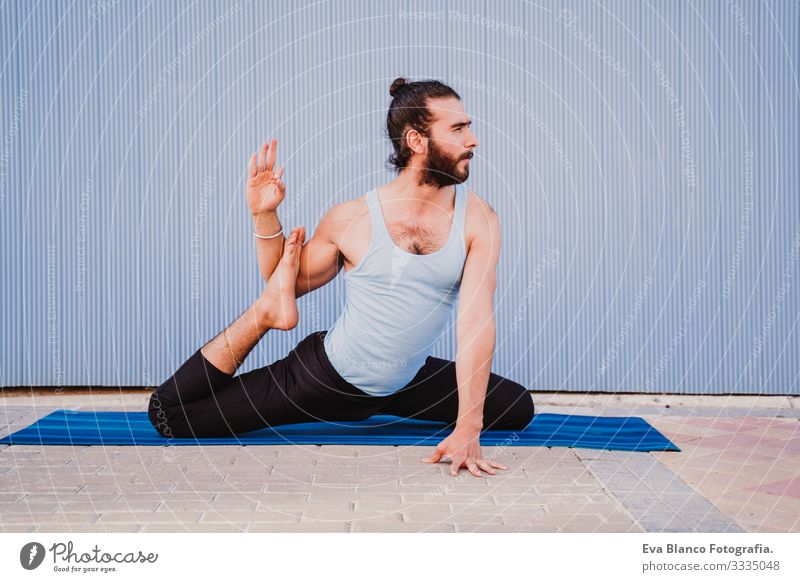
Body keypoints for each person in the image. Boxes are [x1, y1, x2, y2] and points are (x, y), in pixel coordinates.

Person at [148, 78, 535, 478]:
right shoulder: (353, 219)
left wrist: (468, 427)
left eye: (468, 126)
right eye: (458, 129)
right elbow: (285, 282)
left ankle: (386, 393)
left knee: (517, 407)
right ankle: (261, 316)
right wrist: (264, 216)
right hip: (325, 379)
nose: (472, 140)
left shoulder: (479, 219)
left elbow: (475, 321)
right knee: (170, 416)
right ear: (417, 140)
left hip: (404, 381)